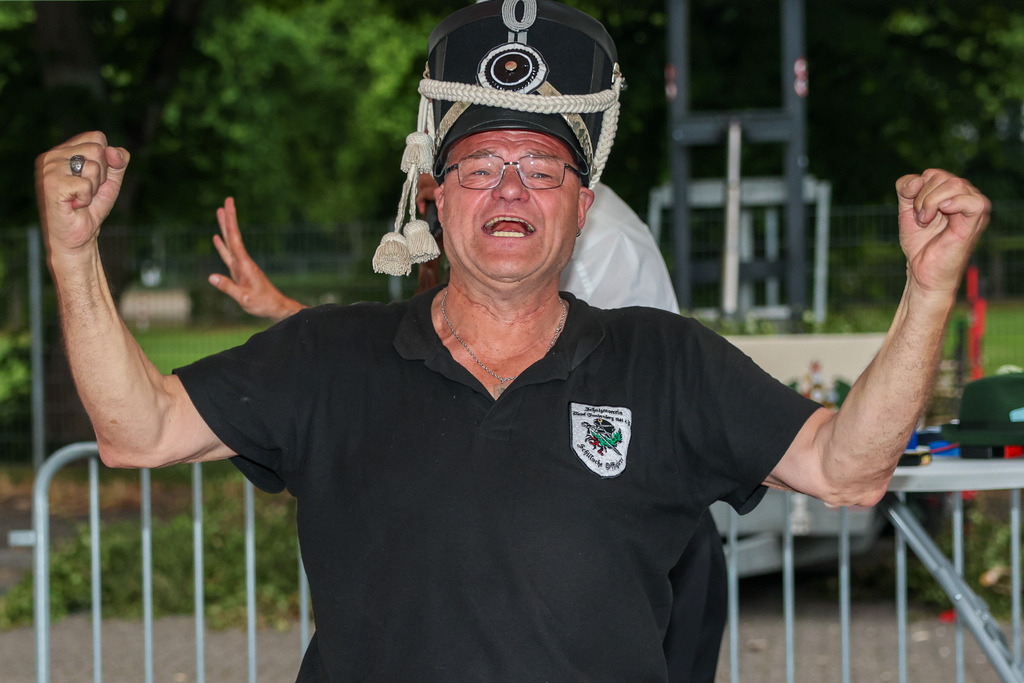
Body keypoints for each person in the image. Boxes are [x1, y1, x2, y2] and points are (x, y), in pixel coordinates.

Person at [35, 0, 989, 680]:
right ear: (433, 195)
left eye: (541, 167)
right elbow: (137, 430)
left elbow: (849, 467)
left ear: (582, 207)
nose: (509, 190)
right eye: (480, 163)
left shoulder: (666, 361)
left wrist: (928, 289)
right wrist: (75, 256)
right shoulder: (326, 355)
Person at [207, 180, 726, 681]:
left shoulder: (579, 236)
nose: (432, 202)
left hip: (640, 526)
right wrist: (281, 310)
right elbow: (414, 360)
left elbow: (606, 403)